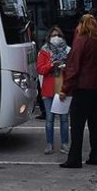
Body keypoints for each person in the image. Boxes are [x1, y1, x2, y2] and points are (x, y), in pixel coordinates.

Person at [59, 14, 97, 168]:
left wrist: (65, 88)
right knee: (95, 123)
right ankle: (95, 156)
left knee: (78, 124)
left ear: (81, 25)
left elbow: (73, 67)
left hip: (82, 87)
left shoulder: (80, 41)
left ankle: (74, 158)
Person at [36, 26, 70, 154]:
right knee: (49, 119)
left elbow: (72, 69)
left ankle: (65, 144)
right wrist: (51, 65)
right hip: (48, 89)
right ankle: (49, 144)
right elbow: (40, 69)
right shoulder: (44, 51)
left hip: (63, 88)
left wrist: (64, 67)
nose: (56, 38)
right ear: (49, 38)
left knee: (64, 119)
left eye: (58, 35)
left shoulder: (68, 51)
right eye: (53, 35)